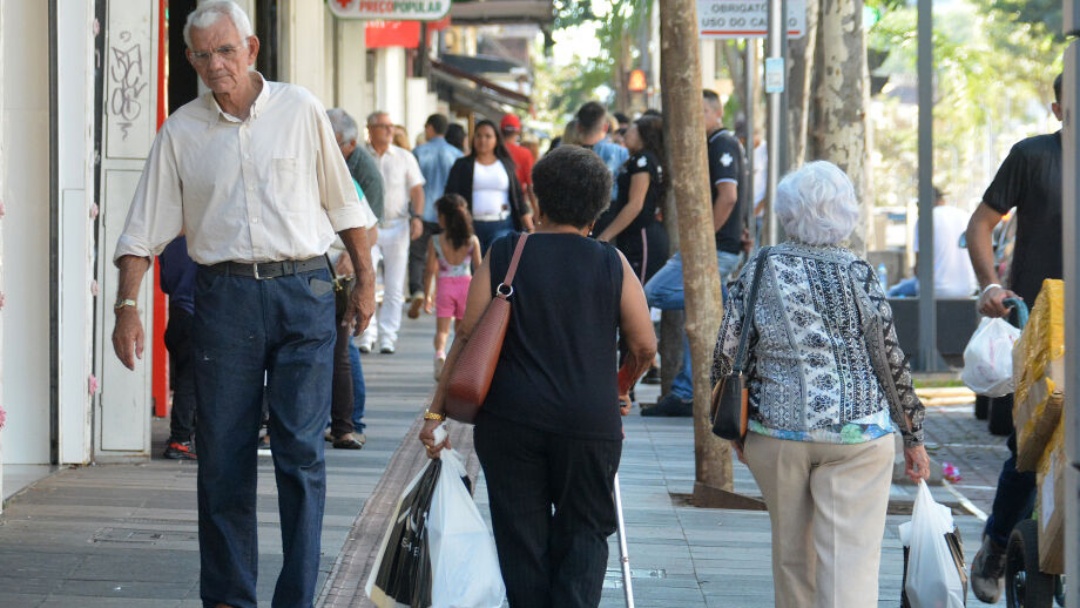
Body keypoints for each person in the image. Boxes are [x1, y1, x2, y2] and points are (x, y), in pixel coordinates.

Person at [109, 3, 377, 606]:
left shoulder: (300, 108)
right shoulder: (181, 130)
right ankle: (230, 599)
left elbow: (344, 203)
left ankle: (297, 598)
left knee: (300, 452)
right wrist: (127, 305)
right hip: (224, 299)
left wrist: (365, 278)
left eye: (226, 51)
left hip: (303, 291)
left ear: (251, 49)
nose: (215, 65)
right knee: (223, 456)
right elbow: (139, 231)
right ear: (190, 60)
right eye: (203, 55)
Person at [419, 146, 657, 608]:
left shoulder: (507, 252)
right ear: (598, 207)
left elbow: (466, 336)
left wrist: (436, 412)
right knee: (585, 532)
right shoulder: (613, 264)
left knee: (520, 538)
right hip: (589, 421)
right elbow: (645, 345)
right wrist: (620, 386)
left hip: (511, 421)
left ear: (536, 198)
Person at [714, 161, 930, 608]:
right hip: (859, 435)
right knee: (850, 565)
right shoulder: (859, 273)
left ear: (788, 214)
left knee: (794, 562)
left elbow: (727, 351)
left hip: (777, 434)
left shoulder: (762, 267)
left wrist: (738, 428)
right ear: (847, 212)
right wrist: (913, 436)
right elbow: (889, 360)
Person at [965, 73, 1063, 604]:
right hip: (1040, 321)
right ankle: (999, 543)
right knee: (1034, 442)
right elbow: (979, 224)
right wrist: (992, 286)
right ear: (1058, 107)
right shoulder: (1031, 156)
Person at [642, 89, 748, 417]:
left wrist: (702, 240)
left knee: (652, 292)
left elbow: (728, 196)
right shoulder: (713, 145)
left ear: (715, 113)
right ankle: (687, 390)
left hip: (714, 249)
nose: (695, 119)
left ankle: (720, 310)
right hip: (718, 247)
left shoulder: (722, 143)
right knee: (701, 312)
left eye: (700, 112)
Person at [327, 107, 386, 443]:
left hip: (339, 278)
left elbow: (372, 229)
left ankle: (349, 424)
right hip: (311, 273)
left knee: (342, 349)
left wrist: (356, 261)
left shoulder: (351, 178)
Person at [361, 110, 426, 354]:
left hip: (398, 226)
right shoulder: (361, 156)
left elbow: (417, 190)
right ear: (370, 129)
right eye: (383, 126)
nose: (390, 130)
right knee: (365, 279)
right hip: (368, 228)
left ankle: (388, 336)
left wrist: (417, 217)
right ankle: (367, 334)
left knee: (394, 284)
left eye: (391, 126)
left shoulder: (404, 156)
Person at [595, 114, 669, 284]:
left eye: (633, 130)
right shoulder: (638, 159)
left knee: (640, 294)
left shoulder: (643, 160)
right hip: (635, 238)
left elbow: (635, 204)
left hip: (642, 239)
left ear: (645, 136)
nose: (627, 133)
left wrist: (606, 235)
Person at [444, 119, 533, 253]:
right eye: (478, 136)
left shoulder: (505, 165)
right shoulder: (462, 165)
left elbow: (518, 197)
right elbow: (450, 196)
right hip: (470, 227)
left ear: (496, 139)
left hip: (502, 224)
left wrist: (530, 226)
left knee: (498, 268)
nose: (482, 140)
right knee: (475, 271)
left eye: (488, 136)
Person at [409, 114, 464, 318]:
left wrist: (413, 212)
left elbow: (412, 185)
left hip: (422, 212)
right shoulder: (457, 154)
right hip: (447, 213)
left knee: (417, 255)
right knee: (447, 256)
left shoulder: (418, 152)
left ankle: (418, 290)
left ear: (430, 128)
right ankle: (445, 294)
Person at [422, 194, 482, 380]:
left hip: (445, 287)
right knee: (462, 330)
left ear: (444, 218)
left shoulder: (436, 241)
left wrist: (427, 296)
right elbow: (479, 269)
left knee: (442, 331)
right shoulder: (471, 240)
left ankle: (440, 353)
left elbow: (430, 270)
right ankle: (458, 364)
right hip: (466, 285)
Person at [886, 187, 977, 298]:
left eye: (918, 205)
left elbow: (919, 267)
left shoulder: (925, 218)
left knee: (891, 293)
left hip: (934, 292)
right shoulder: (965, 215)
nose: (919, 210)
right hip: (967, 290)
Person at [160, 236, 198, 461]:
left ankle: (183, 434)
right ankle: (180, 439)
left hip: (176, 315)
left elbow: (165, 284)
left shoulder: (169, 244)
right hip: (196, 314)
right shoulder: (200, 240)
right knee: (190, 381)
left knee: (185, 377)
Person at [575, 102, 628, 219]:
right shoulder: (621, 153)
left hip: (576, 218)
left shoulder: (565, 155)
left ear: (578, 126)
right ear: (605, 127)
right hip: (611, 218)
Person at [501, 113, 539, 217]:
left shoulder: (493, 151)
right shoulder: (525, 153)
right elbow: (530, 186)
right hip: (517, 204)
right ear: (518, 131)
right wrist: (536, 211)